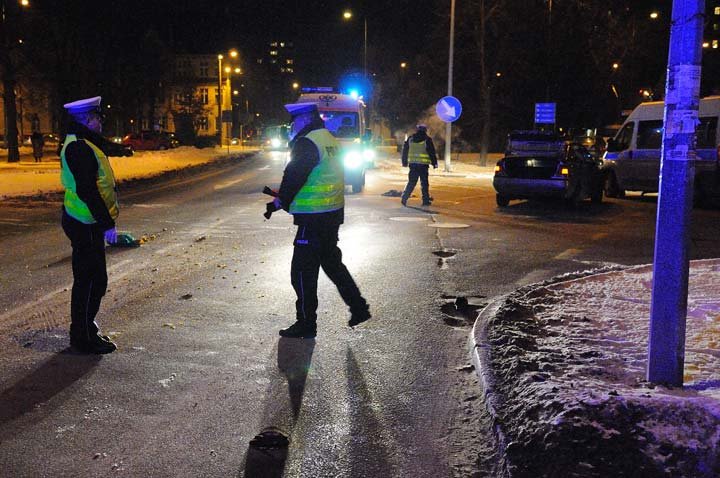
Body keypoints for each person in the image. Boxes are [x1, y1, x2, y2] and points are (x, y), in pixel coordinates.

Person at [273, 102, 371, 339]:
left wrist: (281, 202)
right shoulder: (328, 138)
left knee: (302, 272)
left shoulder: (307, 143)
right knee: (332, 264)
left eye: (294, 121)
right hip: (331, 215)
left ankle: (306, 323)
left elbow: (293, 177)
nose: (292, 126)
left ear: (305, 119)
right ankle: (358, 307)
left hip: (313, 219)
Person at [59, 96, 132, 354]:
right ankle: (82, 336)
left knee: (93, 279)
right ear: (85, 119)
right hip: (84, 222)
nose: (101, 122)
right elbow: (88, 190)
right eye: (97, 117)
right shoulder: (78, 147)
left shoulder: (85, 141)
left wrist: (121, 150)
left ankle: (85, 329)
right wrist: (107, 224)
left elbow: (104, 146)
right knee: (90, 280)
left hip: (86, 221)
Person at [400, 124, 438, 206]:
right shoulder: (427, 140)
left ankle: (404, 197)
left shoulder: (410, 139)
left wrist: (404, 162)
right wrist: (434, 163)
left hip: (413, 165)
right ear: (425, 131)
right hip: (423, 166)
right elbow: (431, 152)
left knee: (411, 182)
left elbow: (405, 151)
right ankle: (425, 200)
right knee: (424, 183)